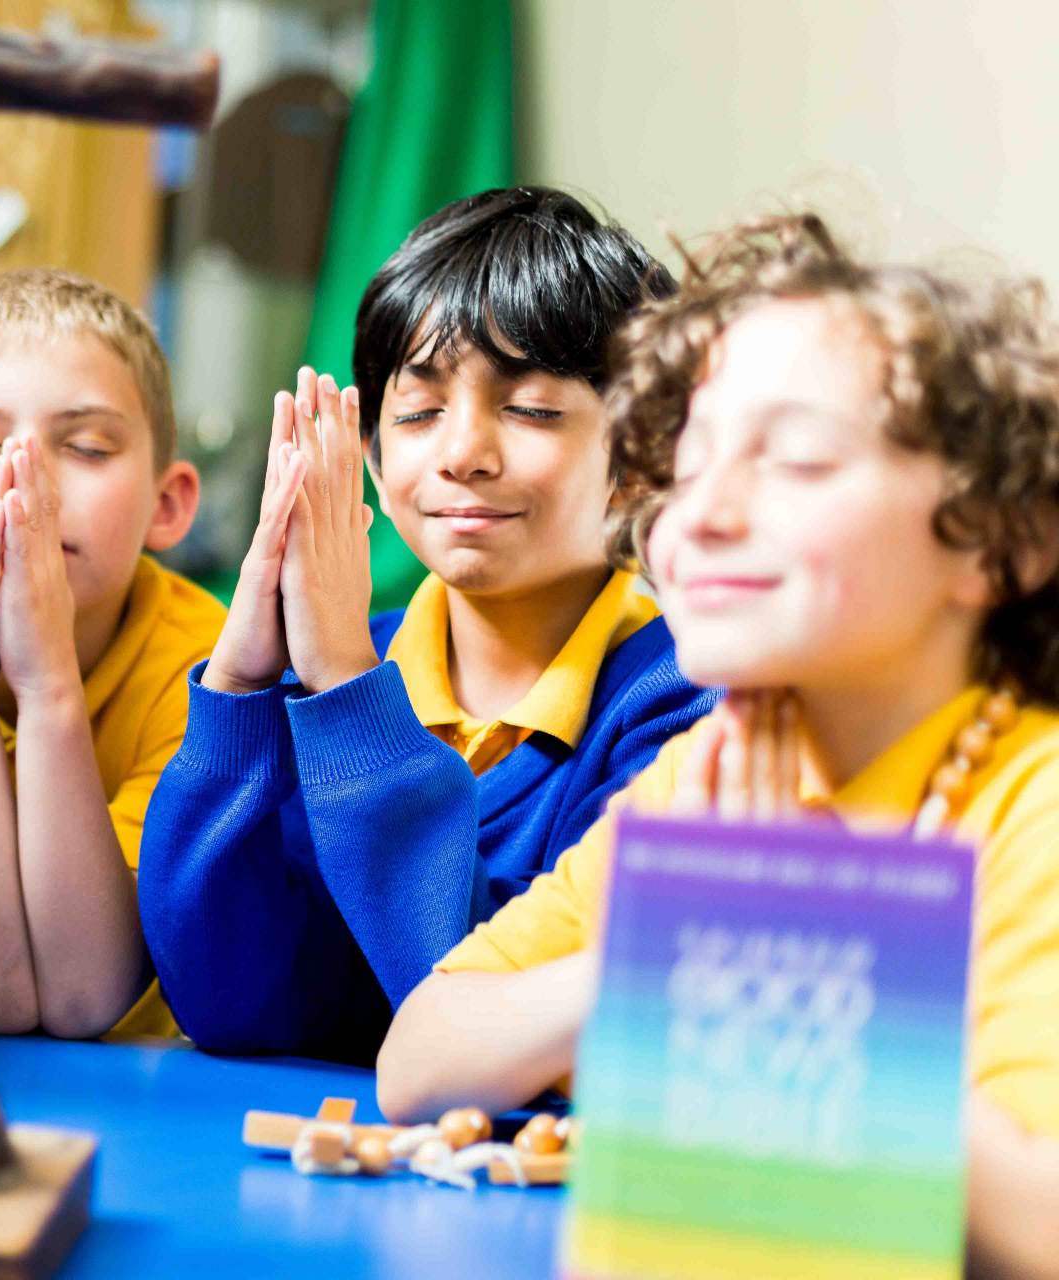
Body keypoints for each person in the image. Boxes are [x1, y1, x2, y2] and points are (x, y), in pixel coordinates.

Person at [371, 216, 1059, 1275]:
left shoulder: (1035, 796)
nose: (702, 517)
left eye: (796, 460)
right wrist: (669, 961)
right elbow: (419, 1060)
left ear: (999, 541)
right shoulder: (721, 767)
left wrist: (775, 957)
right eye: (685, 471)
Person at [137, 188, 715, 1061]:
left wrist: (345, 690)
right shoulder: (331, 668)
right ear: (367, 456)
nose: (461, 453)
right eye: (416, 413)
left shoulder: (682, 700)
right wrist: (240, 686)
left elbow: (495, 1021)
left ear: (642, 457)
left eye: (532, 409)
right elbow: (232, 1005)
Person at [0, 268, 221, 1039]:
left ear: (168, 502)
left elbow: (87, 995)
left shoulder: (211, 670)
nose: (29, 485)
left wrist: (47, 686)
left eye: (84, 446)